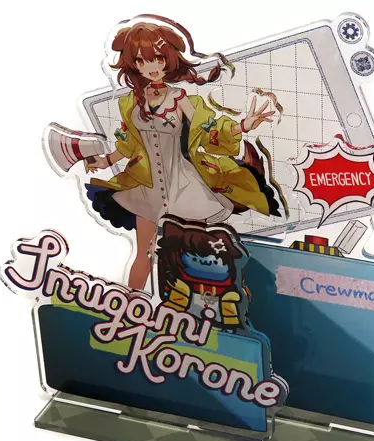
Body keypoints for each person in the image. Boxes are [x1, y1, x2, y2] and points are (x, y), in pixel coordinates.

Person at [86, 19, 281, 290]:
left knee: (193, 255)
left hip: (185, 185)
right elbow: (130, 143)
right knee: (143, 254)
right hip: (147, 186)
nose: (152, 66)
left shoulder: (181, 99)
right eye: (142, 60)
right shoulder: (130, 102)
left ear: (168, 59)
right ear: (134, 64)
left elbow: (210, 133)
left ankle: (196, 307)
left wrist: (242, 126)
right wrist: (106, 160)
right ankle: (131, 303)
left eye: (158, 58)